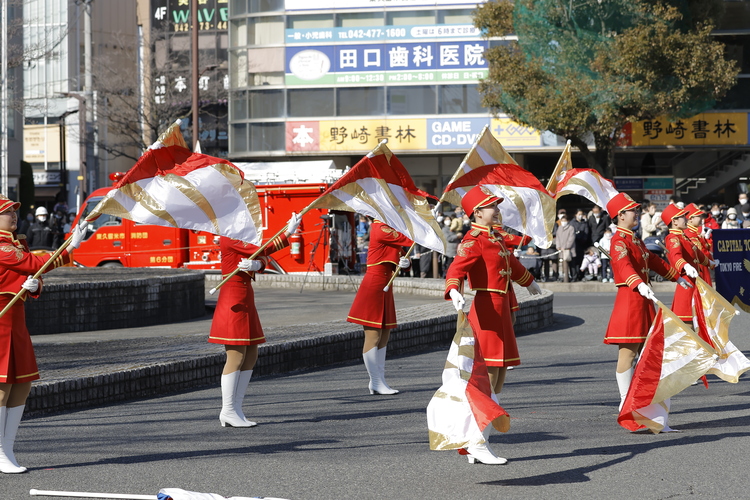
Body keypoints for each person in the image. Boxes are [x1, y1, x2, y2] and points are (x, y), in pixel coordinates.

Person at [445, 186, 542, 465]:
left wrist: (529, 281)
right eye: (492, 207)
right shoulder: (474, 239)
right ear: (477, 212)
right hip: (486, 310)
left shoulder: (495, 237)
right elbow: (456, 269)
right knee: (484, 381)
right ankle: (476, 442)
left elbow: (511, 262)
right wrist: (453, 288)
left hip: (500, 311)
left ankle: (483, 441)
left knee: (498, 378)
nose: (497, 210)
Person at [0, 195, 86, 473]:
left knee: (22, 384)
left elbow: (30, 275)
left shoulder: (15, 243)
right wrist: (70, 248)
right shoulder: (1, 247)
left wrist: (34, 287)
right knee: (2, 388)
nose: (13, 216)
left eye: (15, 211)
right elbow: (33, 264)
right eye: (7, 213)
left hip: (16, 322)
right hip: (0, 324)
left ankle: (8, 449)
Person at [209, 213, 301, 428]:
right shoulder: (229, 235)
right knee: (236, 355)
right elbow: (265, 249)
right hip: (233, 299)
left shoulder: (240, 236)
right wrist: (288, 232)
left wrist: (257, 266)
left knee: (251, 354)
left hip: (245, 296)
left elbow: (263, 258)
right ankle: (228, 410)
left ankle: (237, 409)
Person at [603, 193, 688, 417]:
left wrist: (675, 275)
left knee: (647, 353)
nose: (637, 213)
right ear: (620, 216)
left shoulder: (635, 239)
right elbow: (623, 265)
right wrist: (638, 283)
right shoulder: (619, 240)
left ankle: (641, 399)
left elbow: (652, 260)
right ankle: (624, 400)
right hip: (630, 301)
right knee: (628, 353)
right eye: (632, 210)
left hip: (643, 300)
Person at [347, 220, 412, 395]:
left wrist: (406, 263)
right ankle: (375, 381)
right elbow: (408, 239)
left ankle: (380, 380)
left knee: (384, 333)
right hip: (375, 284)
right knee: (373, 334)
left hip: (385, 284)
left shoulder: (390, 228)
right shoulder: (380, 227)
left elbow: (402, 252)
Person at [662, 204, 710, 324]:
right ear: (674, 221)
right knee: (688, 322)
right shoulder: (673, 238)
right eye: (683, 217)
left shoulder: (683, 237)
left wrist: (710, 262)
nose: (686, 219)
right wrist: (685, 265)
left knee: (698, 322)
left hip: (694, 282)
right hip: (686, 283)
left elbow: (697, 253)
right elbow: (675, 255)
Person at [684, 203, 717, 286]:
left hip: (702, 266)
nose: (701, 218)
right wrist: (711, 262)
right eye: (698, 216)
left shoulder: (694, 232)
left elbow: (705, 247)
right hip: (698, 268)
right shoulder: (690, 233)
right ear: (691, 219)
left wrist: (707, 238)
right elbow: (701, 251)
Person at [571, 209, 591, 279]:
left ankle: (581, 275)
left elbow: (586, 233)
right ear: (576, 215)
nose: (580, 216)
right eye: (579, 214)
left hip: (582, 244)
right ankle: (574, 275)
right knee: (574, 261)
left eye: (581, 214)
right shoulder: (572, 223)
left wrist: (582, 238)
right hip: (574, 244)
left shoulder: (584, 223)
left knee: (581, 260)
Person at [555, 214, 575, 281]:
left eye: (565, 220)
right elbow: (557, 238)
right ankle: (564, 277)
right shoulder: (559, 228)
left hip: (569, 250)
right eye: (562, 220)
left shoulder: (571, 228)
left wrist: (566, 247)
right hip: (561, 250)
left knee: (571, 264)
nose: (563, 222)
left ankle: (572, 277)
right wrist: (558, 246)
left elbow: (571, 238)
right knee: (563, 264)